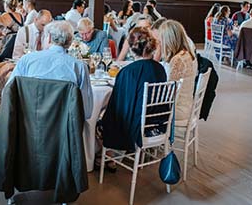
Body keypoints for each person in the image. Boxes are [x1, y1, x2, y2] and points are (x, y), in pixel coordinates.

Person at [98, 28, 168, 159]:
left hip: (136, 126)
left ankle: (110, 155)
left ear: (131, 48)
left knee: (101, 121)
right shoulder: (160, 69)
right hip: (157, 122)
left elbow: (119, 105)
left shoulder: (128, 72)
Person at [10, 21, 94, 120]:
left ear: (49, 38)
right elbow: (87, 111)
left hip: (29, 125)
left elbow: (8, 93)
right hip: (64, 130)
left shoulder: (26, 60)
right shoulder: (79, 67)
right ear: (70, 41)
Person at [159, 20, 198, 126]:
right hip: (187, 104)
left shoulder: (178, 60)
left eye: (161, 39)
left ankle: (148, 139)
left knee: (139, 108)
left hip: (177, 109)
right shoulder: (188, 54)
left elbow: (168, 93)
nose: (160, 42)